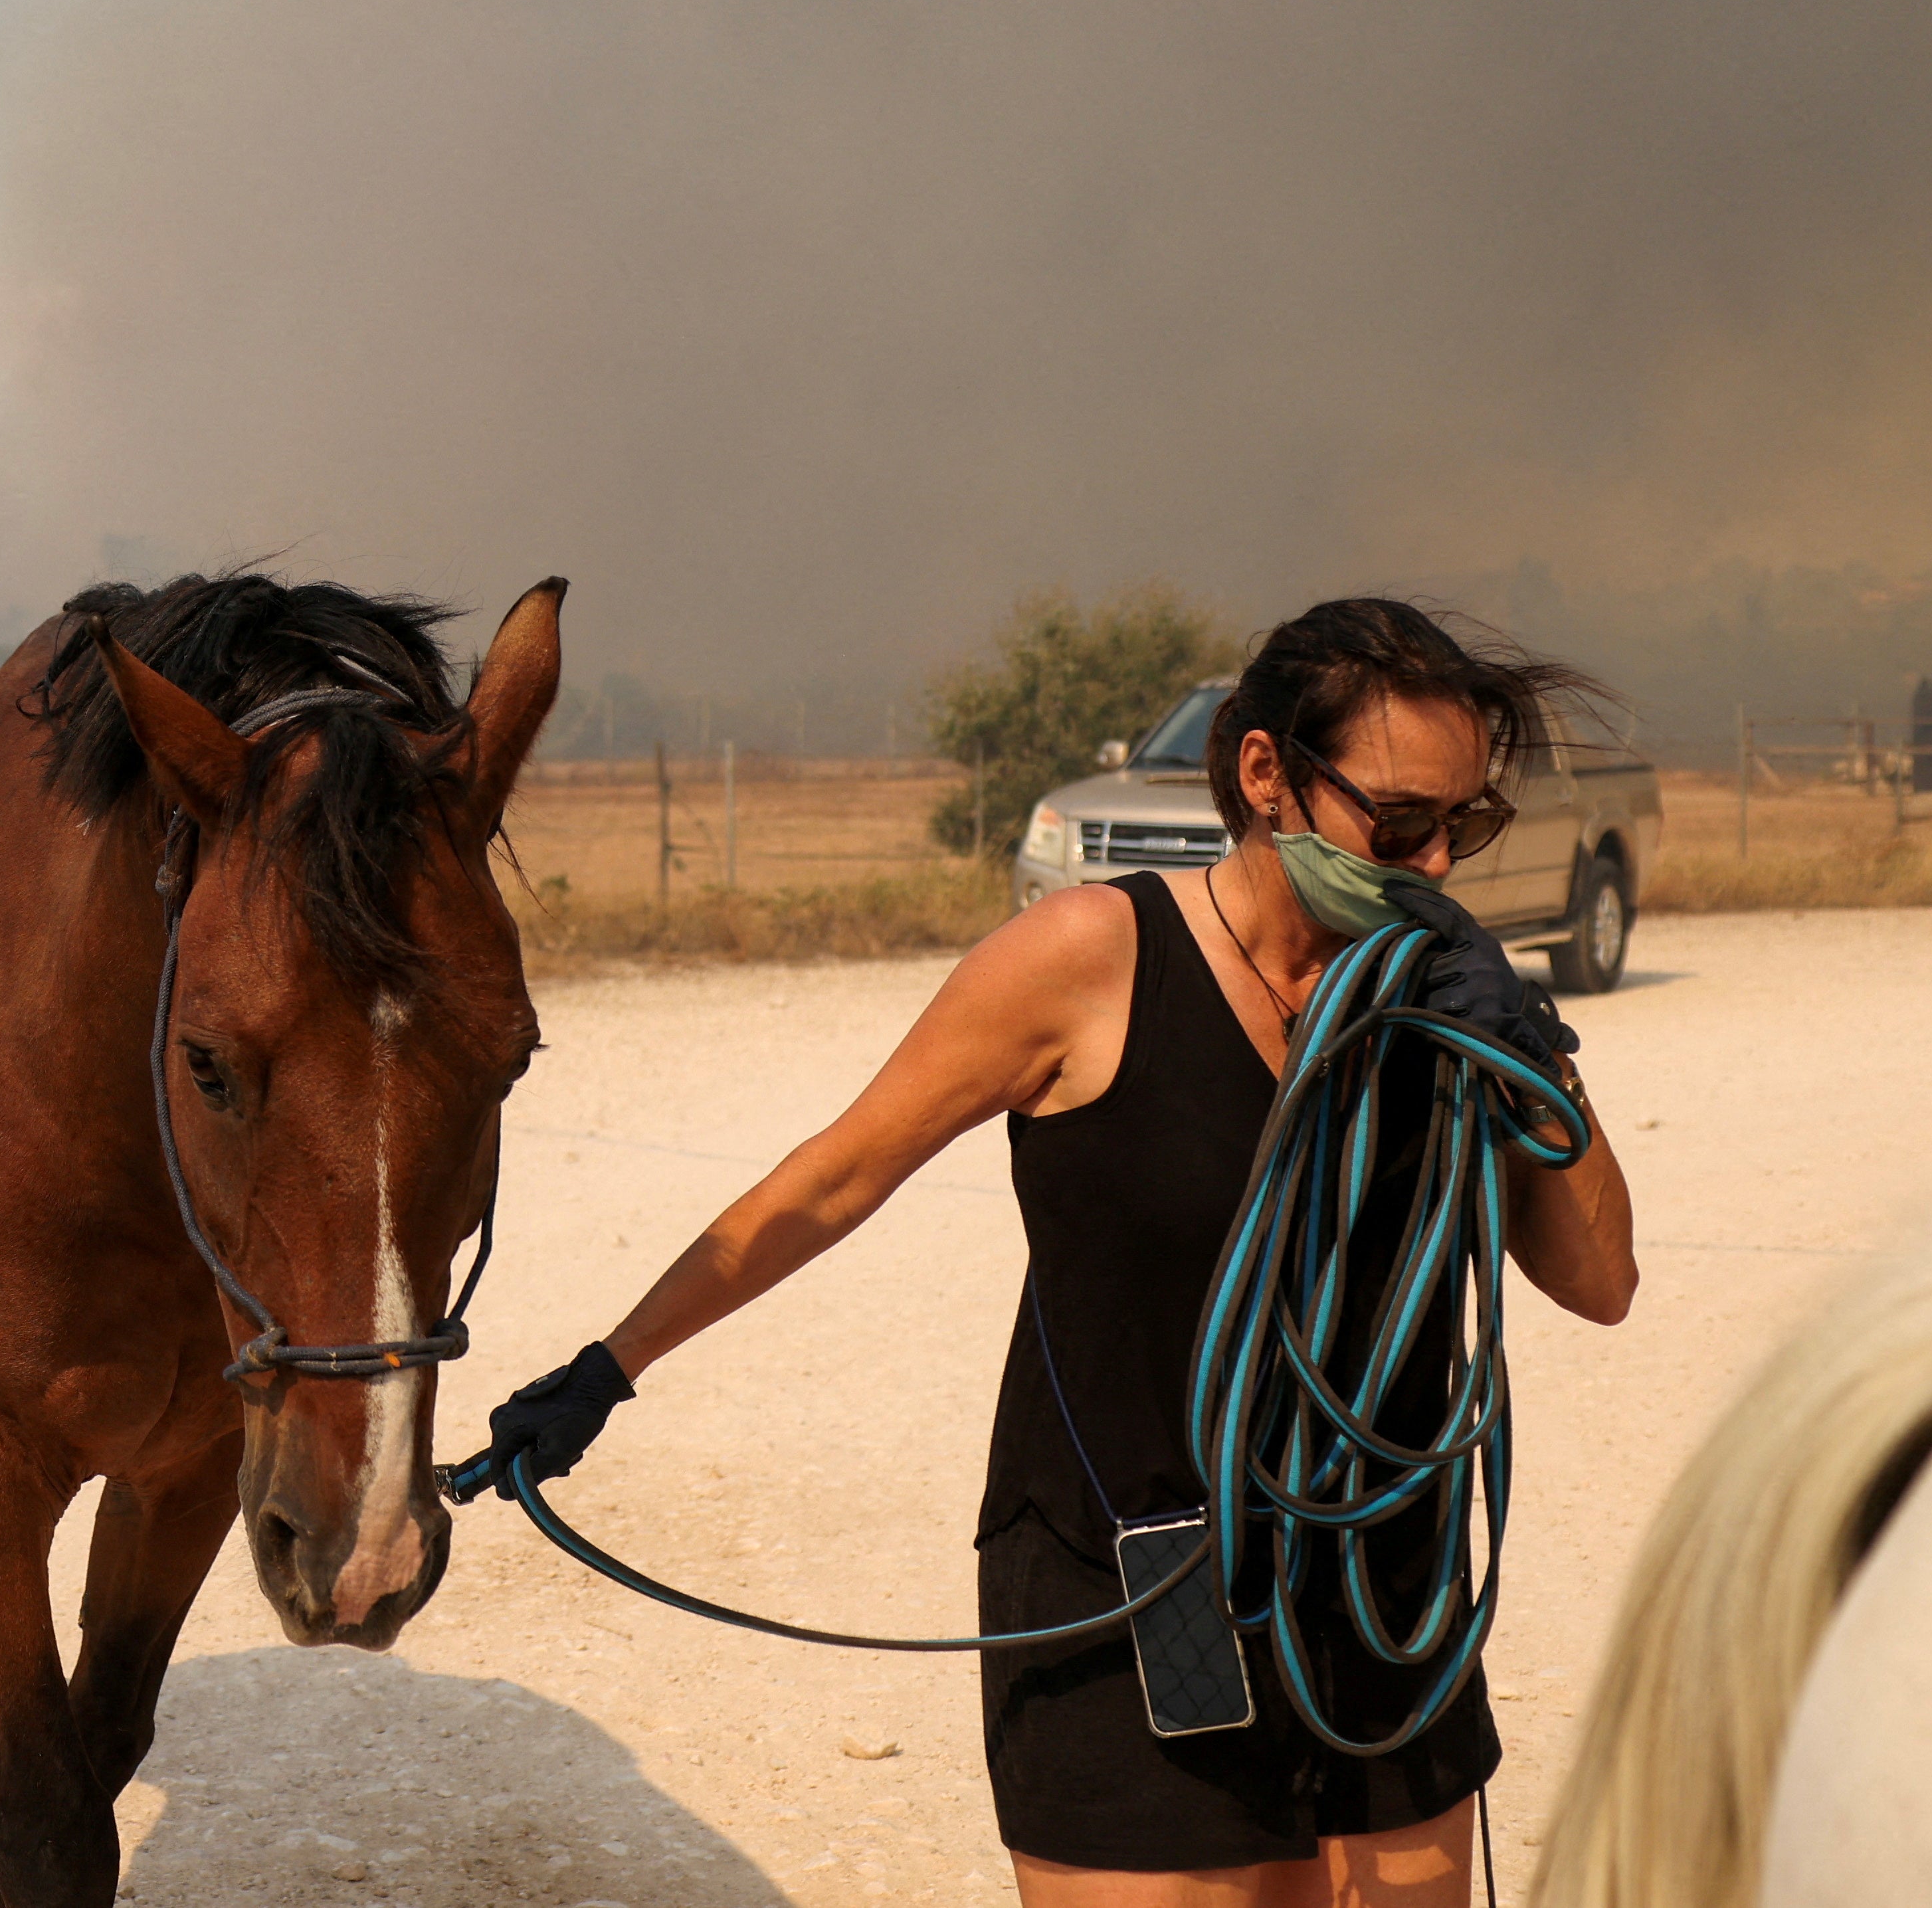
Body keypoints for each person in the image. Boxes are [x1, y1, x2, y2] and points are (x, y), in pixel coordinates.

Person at [470, 599, 1638, 1907]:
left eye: (1465, 829)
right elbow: (839, 1173)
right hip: (1139, 1594)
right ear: (1266, 775)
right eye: (1403, 824)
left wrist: (1534, 1059)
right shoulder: (1090, 961)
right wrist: (605, 1367)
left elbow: (1599, 1285)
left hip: (1381, 1600)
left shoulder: (1440, 1006)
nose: (1431, 869)